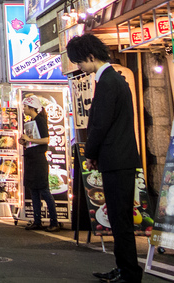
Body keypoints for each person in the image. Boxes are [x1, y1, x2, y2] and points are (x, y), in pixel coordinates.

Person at [67, 33, 142, 283]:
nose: (80, 68)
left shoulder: (109, 81)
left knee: (121, 220)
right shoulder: (111, 79)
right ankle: (123, 269)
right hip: (118, 158)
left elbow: (100, 124)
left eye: (79, 63)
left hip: (118, 160)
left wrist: (90, 153)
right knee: (119, 219)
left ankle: (129, 273)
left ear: (90, 57)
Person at [19, 96, 59, 231]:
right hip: (31, 158)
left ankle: (54, 222)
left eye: (25, 107)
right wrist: (25, 141)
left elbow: (46, 140)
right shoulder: (31, 121)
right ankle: (37, 220)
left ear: (31, 108)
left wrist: (29, 139)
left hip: (39, 160)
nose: (23, 109)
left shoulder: (40, 121)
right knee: (34, 190)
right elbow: (33, 140)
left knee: (44, 190)